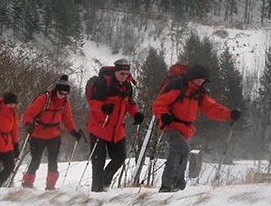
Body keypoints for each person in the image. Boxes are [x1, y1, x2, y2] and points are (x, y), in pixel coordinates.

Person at [152, 64, 240, 192]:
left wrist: (229, 114)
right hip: (170, 125)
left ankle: (166, 187)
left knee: (175, 154)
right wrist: (163, 114)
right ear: (192, 77)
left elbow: (211, 108)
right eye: (198, 80)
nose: (200, 83)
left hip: (185, 130)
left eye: (202, 81)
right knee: (183, 149)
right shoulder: (177, 85)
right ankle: (177, 182)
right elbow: (159, 103)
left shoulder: (199, 93)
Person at [86, 59, 143, 192]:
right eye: (121, 73)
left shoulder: (127, 86)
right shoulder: (104, 83)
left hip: (117, 130)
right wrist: (103, 108)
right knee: (98, 160)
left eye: (126, 73)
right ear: (115, 72)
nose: (124, 76)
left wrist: (136, 114)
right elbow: (94, 103)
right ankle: (97, 191)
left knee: (120, 157)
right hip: (99, 127)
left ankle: (105, 180)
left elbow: (130, 103)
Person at [21, 75, 80, 190]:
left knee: (53, 161)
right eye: (61, 93)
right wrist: (28, 124)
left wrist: (73, 131)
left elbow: (67, 118)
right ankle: (28, 183)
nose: (62, 96)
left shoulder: (64, 102)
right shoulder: (44, 98)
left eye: (65, 94)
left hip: (54, 135)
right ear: (56, 90)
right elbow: (29, 113)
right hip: (38, 134)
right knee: (36, 160)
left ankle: (51, 186)